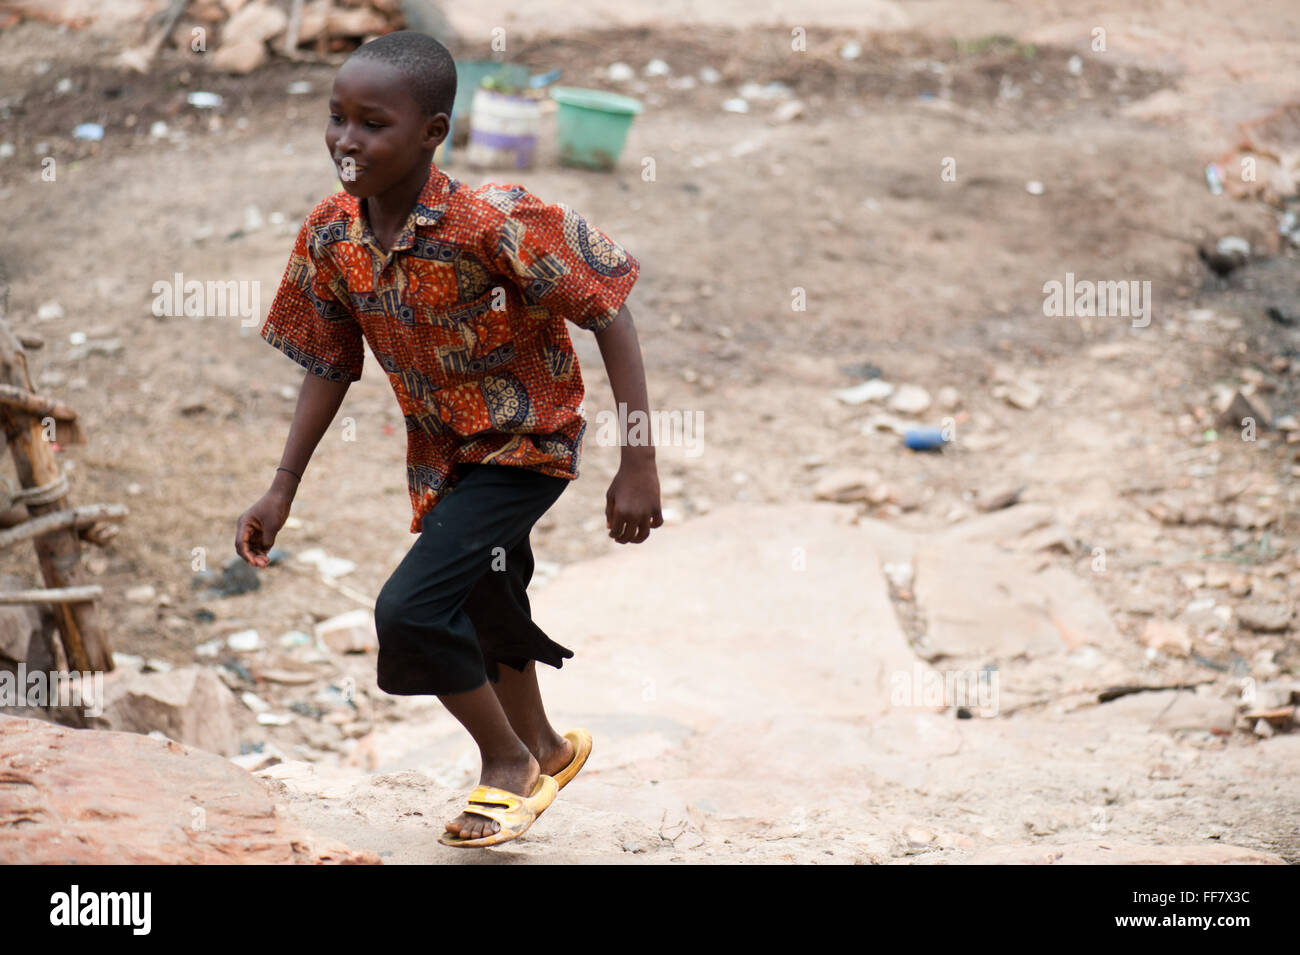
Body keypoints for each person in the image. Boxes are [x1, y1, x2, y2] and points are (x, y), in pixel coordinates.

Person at [234, 30, 662, 848]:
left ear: (433, 132)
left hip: (527, 445)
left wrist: (637, 459)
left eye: (372, 124)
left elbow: (609, 306)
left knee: (412, 609)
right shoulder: (332, 234)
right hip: (442, 456)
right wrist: (282, 485)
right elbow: (329, 359)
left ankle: (505, 763)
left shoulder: (491, 221)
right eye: (336, 118)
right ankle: (547, 746)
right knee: (485, 590)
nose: (346, 141)